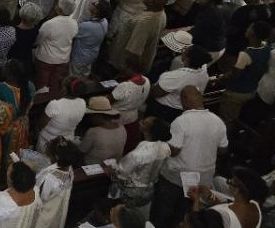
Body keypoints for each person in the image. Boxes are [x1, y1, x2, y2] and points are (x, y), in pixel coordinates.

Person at [152, 87, 228, 228]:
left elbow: (174, 151)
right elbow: (223, 149)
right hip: (202, 178)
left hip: (175, 176)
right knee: (186, 212)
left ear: (184, 100)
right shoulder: (218, 122)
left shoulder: (181, 121)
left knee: (164, 210)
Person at [107, 117, 171, 225]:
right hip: (149, 188)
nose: (140, 122)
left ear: (147, 130)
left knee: (125, 218)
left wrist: (112, 169)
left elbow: (122, 173)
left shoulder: (138, 154)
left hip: (132, 191)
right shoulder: (165, 147)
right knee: (142, 216)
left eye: (143, 122)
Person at [189, 167, 267, 228]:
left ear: (236, 190)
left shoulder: (223, 215)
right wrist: (210, 196)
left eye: (230, 181)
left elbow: (197, 223)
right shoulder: (255, 205)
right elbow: (227, 207)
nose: (227, 182)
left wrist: (196, 200)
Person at [33, 138, 80, 228]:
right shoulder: (69, 168)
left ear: (55, 157)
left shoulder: (50, 179)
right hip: (56, 210)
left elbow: (39, 198)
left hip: (43, 214)